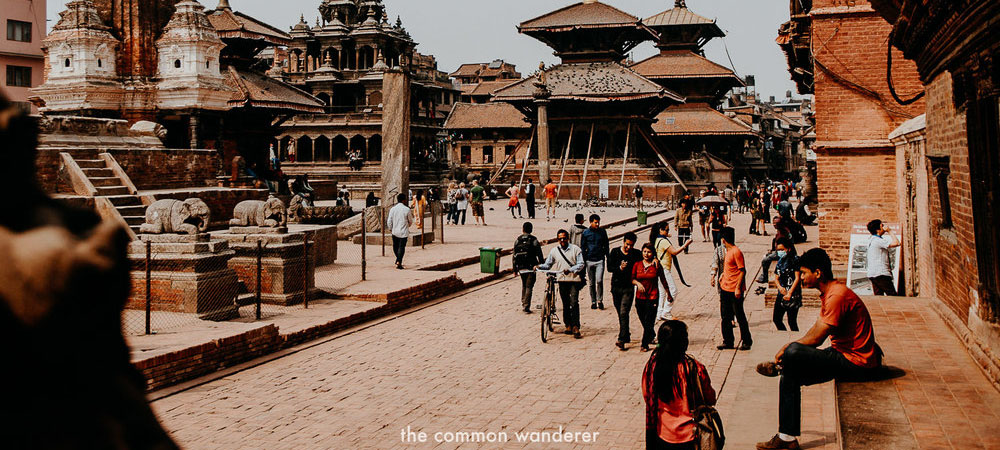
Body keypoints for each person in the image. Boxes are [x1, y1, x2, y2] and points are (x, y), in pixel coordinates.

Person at [755, 248, 883, 450]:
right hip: (841, 354)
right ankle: (786, 438)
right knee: (790, 375)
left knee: (793, 353)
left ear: (818, 273)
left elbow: (816, 339)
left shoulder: (837, 295)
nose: (802, 278)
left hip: (856, 362)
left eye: (804, 273)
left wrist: (788, 347)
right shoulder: (830, 293)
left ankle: (783, 365)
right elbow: (816, 329)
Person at [642, 320, 717, 449]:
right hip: (691, 436)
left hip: (662, 434)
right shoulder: (694, 368)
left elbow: (647, 396)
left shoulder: (652, 368)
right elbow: (709, 398)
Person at [536, 229, 585, 339]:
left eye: (564, 238)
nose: (562, 240)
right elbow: (548, 264)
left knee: (574, 302)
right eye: (560, 239)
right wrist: (539, 266)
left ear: (568, 238)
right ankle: (568, 324)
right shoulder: (554, 251)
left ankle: (576, 326)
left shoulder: (576, 249)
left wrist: (571, 269)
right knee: (565, 303)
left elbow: (581, 264)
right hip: (562, 280)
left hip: (573, 280)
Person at [718, 227, 752, 350]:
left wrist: (738, 288)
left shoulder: (736, 252)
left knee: (739, 315)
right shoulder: (728, 251)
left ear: (723, 239)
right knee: (725, 316)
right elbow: (731, 268)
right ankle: (728, 340)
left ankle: (746, 340)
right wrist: (723, 275)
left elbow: (742, 271)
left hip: (734, 289)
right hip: (725, 287)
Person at [632, 243, 669, 351]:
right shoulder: (637, 264)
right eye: (644, 251)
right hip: (640, 297)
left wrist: (669, 294)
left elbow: (663, 279)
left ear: (653, 253)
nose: (646, 254)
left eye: (649, 252)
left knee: (649, 320)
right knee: (643, 318)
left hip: (653, 296)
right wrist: (637, 284)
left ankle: (644, 344)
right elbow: (632, 278)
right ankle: (651, 334)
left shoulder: (656, 265)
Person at [608, 232, 642, 350]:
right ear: (623, 242)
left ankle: (621, 339)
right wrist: (619, 268)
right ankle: (626, 334)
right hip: (616, 287)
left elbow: (646, 259)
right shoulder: (615, 252)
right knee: (620, 313)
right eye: (627, 244)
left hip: (628, 287)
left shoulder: (637, 254)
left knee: (623, 312)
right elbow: (609, 268)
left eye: (631, 245)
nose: (629, 247)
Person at [653, 223, 692, 321]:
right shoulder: (664, 241)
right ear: (660, 230)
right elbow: (674, 252)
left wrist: (666, 235)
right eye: (666, 230)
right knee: (673, 290)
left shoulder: (657, 239)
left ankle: (659, 313)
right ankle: (666, 312)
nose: (668, 232)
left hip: (659, 269)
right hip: (664, 269)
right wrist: (685, 245)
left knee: (662, 292)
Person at [512, 222, 544, 313]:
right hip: (531, 267)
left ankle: (523, 302)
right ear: (531, 229)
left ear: (523, 229)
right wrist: (542, 265)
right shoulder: (534, 240)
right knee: (529, 286)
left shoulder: (518, 240)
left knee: (524, 285)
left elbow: (514, 255)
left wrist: (515, 269)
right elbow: (539, 254)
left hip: (521, 267)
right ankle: (526, 305)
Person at [772, 238, 802, 332]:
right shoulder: (780, 262)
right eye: (779, 250)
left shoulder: (795, 260)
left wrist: (790, 293)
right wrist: (780, 288)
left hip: (793, 294)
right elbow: (776, 277)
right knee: (777, 319)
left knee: (792, 321)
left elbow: (797, 278)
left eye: (782, 250)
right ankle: (783, 334)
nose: (780, 252)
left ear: (788, 249)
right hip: (781, 293)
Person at [580, 214, 609, 310]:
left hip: (600, 259)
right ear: (591, 222)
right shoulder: (585, 233)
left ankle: (600, 300)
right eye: (595, 222)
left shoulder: (602, 232)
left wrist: (607, 256)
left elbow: (606, 244)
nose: (597, 224)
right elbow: (583, 247)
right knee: (592, 283)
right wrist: (583, 261)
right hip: (589, 260)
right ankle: (593, 301)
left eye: (598, 222)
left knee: (599, 280)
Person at [866, 220, 900, 296]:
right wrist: (890, 231)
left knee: (879, 297)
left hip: (873, 273)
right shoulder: (877, 240)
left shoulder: (871, 240)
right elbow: (897, 243)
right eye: (882, 225)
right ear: (878, 229)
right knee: (893, 296)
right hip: (881, 273)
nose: (884, 227)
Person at [385, 193, 412, 270]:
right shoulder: (407, 209)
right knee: (401, 247)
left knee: (395, 246)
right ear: (404, 200)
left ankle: (398, 259)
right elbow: (410, 220)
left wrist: (391, 228)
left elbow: (389, 220)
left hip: (395, 231)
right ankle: (399, 261)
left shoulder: (393, 209)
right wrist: (407, 226)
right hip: (403, 231)